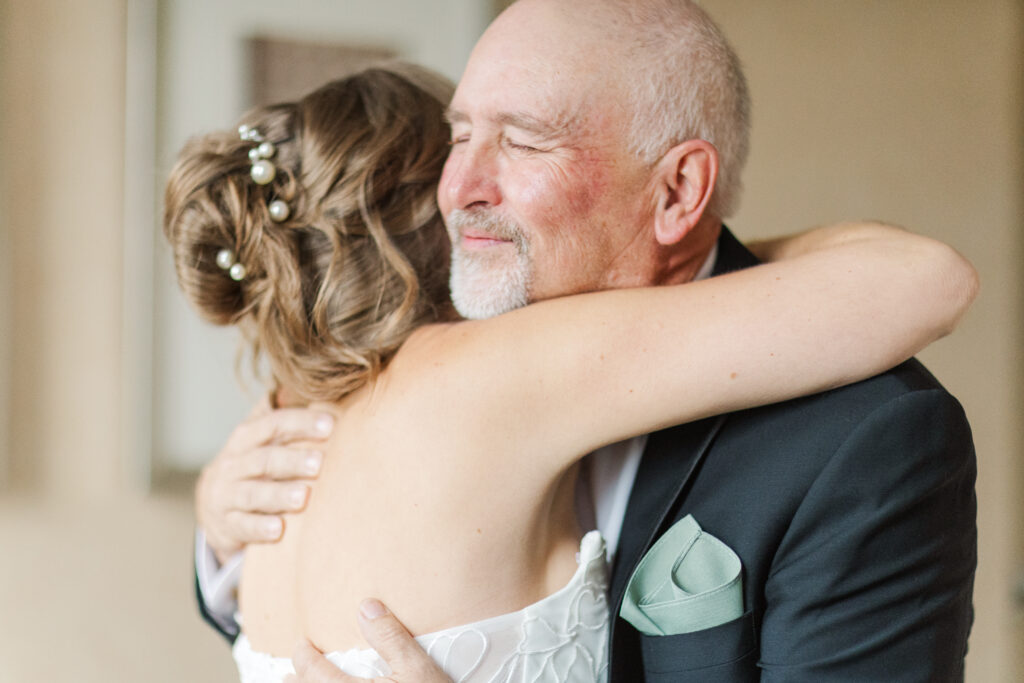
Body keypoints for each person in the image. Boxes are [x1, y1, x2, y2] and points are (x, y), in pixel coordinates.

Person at [190, 1, 979, 681]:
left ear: (676, 191)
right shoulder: (420, 379)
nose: (459, 189)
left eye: (524, 142)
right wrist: (216, 528)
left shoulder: (866, 437)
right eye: (459, 136)